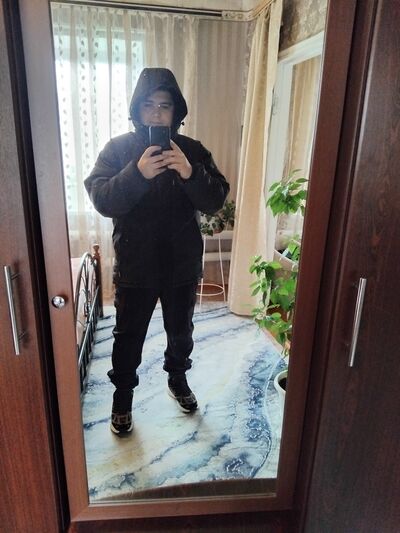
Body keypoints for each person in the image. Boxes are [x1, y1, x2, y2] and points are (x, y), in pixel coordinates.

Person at [85, 68, 229, 435]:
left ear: (176, 110)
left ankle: (177, 378)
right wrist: (137, 174)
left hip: (182, 264)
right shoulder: (117, 149)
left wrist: (190, 173)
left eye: (164, 106)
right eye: (149, 105)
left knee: (181, 333)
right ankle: (122, 395)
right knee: (128, 336)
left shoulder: (192, 150)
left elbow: (215, 200)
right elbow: (102, 199)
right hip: (136, 265)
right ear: (137, 108)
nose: (156, 113)